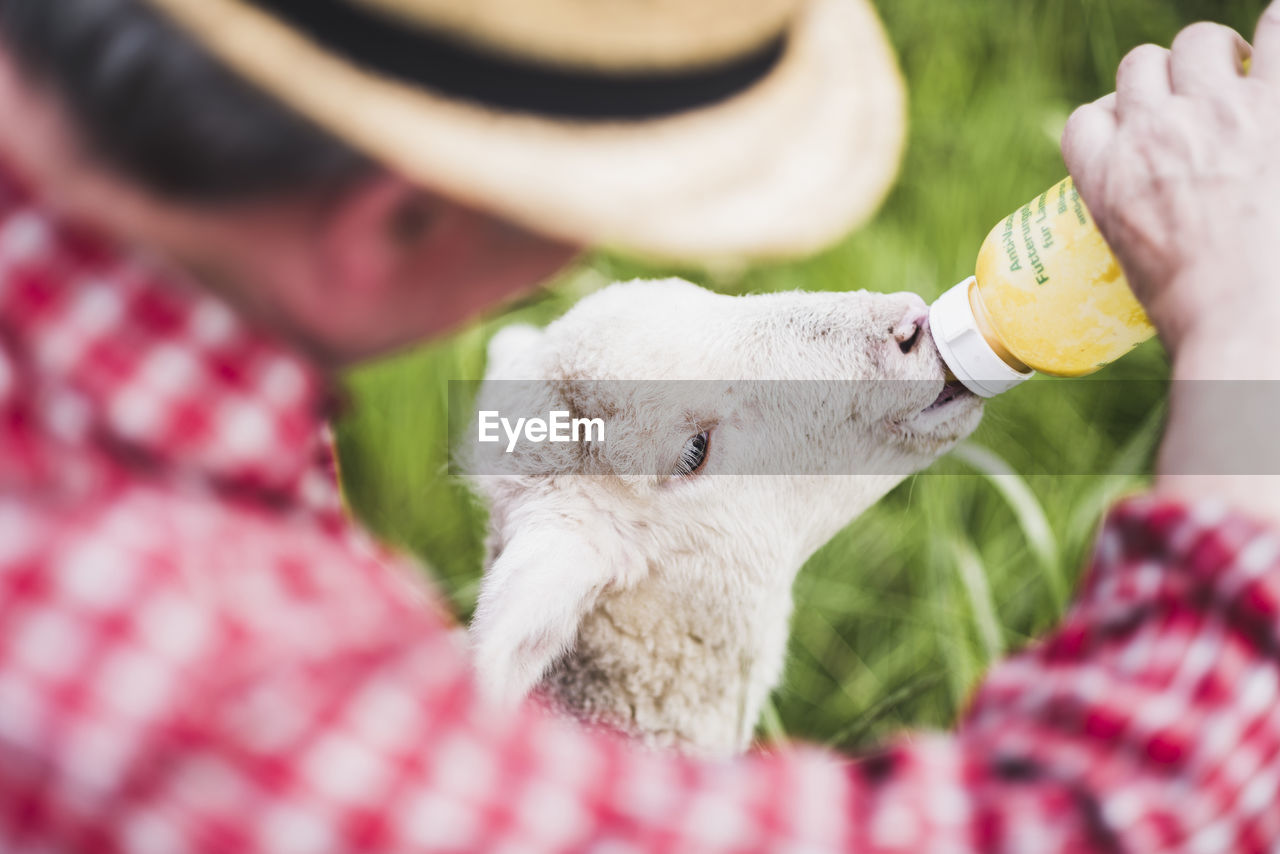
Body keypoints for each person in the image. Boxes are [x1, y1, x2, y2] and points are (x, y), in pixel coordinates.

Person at [0, 0, 1277, 850]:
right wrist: (1242, 321)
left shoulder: (154, 383)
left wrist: (645, 434)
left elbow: (536, 425)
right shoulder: (207, 677)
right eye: (563, 201)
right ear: (384, 226)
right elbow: (1116, 816)